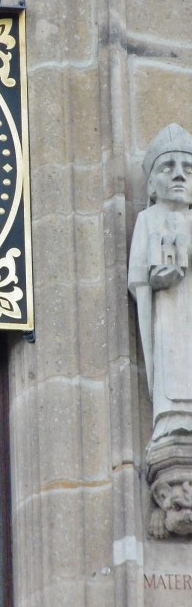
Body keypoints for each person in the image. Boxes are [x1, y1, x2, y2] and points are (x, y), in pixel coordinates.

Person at [128, 124, 192, 443]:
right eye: (168, 167)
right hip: (169, 313)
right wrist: (157, 278)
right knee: (174, 365)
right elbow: (138, 276)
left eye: (188, 168)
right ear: (151, 185)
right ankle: (172, 418)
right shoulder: (148, 219)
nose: (179, 175)